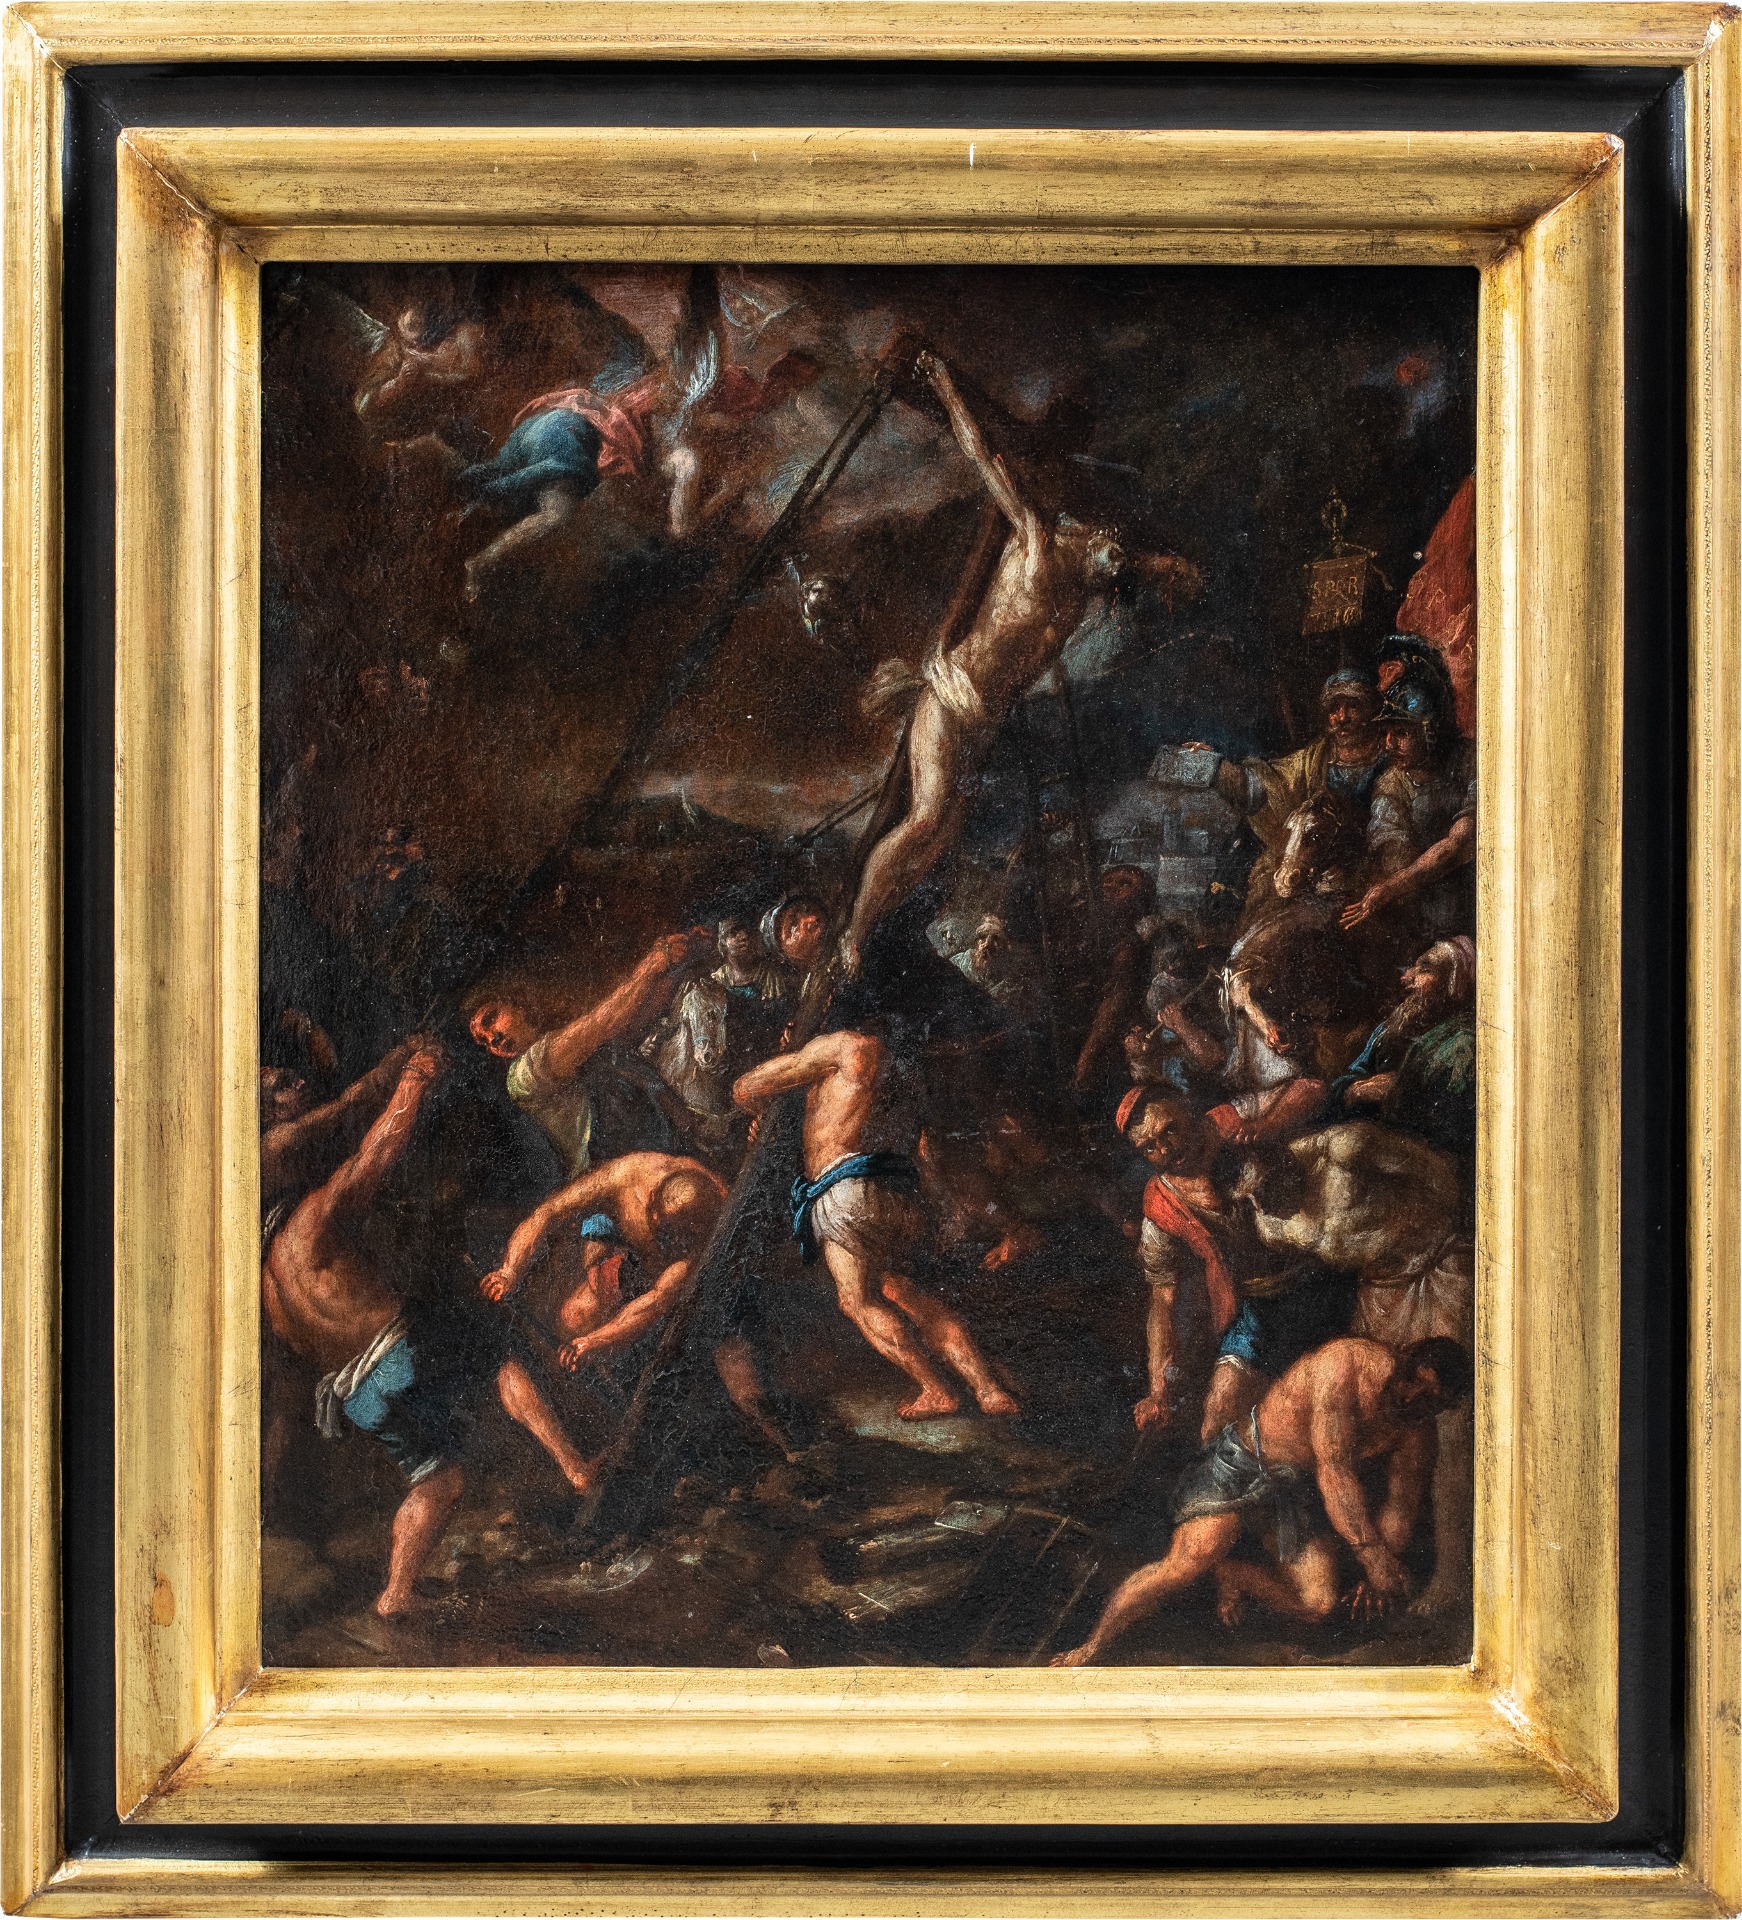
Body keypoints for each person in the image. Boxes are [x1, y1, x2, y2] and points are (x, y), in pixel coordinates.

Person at [845, 349, 1200, 968]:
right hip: (953, 697)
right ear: (1089, 536)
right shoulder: (1037, 540)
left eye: (1117, 559)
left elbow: (1157, 567)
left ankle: (879, 929)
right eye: (1108, 549)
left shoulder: (1090, 578)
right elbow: (983, 455)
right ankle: (855, 930)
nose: (1115, 560)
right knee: (924, 822)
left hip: (985, 719)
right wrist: (944, 385)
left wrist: (1178, 569)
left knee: (941, 839)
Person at [261, 1045, 592, 1615]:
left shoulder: (270, 1290)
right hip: (400, 1353)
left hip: (358, 1396)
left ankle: (397, 1593)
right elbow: (375, 1154)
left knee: (438, 1481)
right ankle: (576, 1468)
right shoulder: (309, 1221)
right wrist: (414, 1081)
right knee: (498, 1351)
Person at [1049, 1335, 1473, 1665]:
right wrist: (1373, 1557)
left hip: (1290, 1491)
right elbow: (1334, 1471)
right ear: (1401, 1360)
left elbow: (1401, 1508)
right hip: (1240, 1465)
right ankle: (1091, 1646)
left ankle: (1234, 1572)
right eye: (1411, 1382)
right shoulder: (1344, 1364)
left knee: (1319, 1605)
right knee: (1182, 1567)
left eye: (1430, 1400)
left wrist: (1375, 1574)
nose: (1412, 1398)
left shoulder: (1417, 1434)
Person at [1233, 1118, 1475, 1615]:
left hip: (1442, 1268)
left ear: (1286, 1163)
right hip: (1380, 1297)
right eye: (1250, 1200)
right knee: (1381, 1429)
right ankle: (1382, 1565)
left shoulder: (1346, 1149)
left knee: (1449, 1426)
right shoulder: (1269, 1221)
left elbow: (1442, 1178)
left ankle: (1454, 1572)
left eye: (1266, 1190)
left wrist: (1450, 1247)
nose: (1262, 1207)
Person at [732, 1025, 1019, 1419]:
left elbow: (746, 1088)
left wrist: (760, 1106)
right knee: (904, 1291)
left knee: (857, 1301)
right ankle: (988, 1389)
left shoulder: (844, 1046)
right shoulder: (908, 1070)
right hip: (898, 1196)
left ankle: (936, 1390)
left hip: (845, 1191)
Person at [478, 1150, 793, 1460]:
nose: (664, 1237)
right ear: (652, 1196)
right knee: (574, 1316)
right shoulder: (628, 1174)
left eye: (674, 1235)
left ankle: (784, 1447)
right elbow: (549, 1212)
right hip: (634, 1264)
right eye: (659, 1224)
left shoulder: (705, 1232)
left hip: (699, 1295)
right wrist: (509, 1270)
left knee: (746, 1389)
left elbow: (654, 1302)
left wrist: (594, 1342)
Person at [1116, 1088, 1355, 1442]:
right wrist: (1157, 1391)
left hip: (1320, 1279)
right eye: (1149, 1147)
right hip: (1256, 1309)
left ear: (1187, 1111)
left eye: (1170, 1130)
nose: (1165, 1150)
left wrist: (1266, 1125)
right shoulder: (1160, 1204)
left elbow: (1312, 1089)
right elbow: (1163, 1300)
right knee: (1217, 1420)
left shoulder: (1229, 1120)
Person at [468, 929, 707, 1183]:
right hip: (612, 1171)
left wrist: (685, 957)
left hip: (661, 1139)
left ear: (514, 1003)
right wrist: (652, 965)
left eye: (491, 1019)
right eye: (485, 1042)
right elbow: (606, 1022)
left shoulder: (563, 1038)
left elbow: (634, 1021)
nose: (493, 1039)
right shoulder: (523, 1075)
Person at [1196, 666, 1390, 921]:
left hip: (1372, 865)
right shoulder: (1316, 757)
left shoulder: (1391, 757)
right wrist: (1218, 766)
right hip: (1317, 868)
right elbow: (1273, 783)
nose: (1342, 718)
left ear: (1371, 709)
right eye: (1334, 709)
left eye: (1352, 707)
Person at [1342, 661, 1476, 940]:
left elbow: (1460, 842)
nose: (1389, 745)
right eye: (1385, 733)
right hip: (1423, 911)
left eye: (1402, 733)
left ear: (1429, 731)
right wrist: (1390, 883)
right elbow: (1392, 853)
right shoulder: (1390, 784)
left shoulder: (1468, 760)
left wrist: (1392, 886)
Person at [645, 917, 788, 1158]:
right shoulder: (714, 981)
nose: (742, 938)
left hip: (750, 1049)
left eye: (746, 933)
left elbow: (775, 1018)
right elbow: (689, 1013)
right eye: (734, 934)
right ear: (723, 943)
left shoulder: (768, 977)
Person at [1331, 936, 1477, 1157]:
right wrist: (1354, 1091)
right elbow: (1350, 1077)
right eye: (1412, 967)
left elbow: (1452, 1126)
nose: (1406, 977)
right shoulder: (1388, 1030)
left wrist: (1400, 1092)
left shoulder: (1463, 1043)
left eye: (1425, 969)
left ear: (1454, 984)